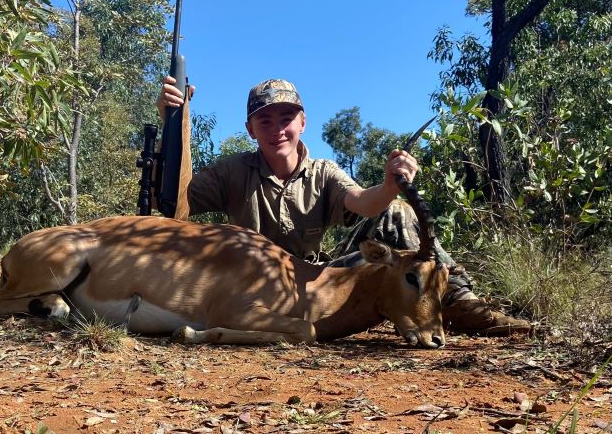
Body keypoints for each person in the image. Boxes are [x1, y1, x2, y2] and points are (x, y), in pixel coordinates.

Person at [157, 77, 531, 336]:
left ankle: (459, 302)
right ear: (251, 129)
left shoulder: (324, 171)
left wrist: (388, 186)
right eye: (265, 121)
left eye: (286, 119)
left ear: (302, 123)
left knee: (396, 212)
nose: (277, 130)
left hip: (317, 278)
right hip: (254, 287)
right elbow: (177, 210)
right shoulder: (232, 171)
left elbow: (364, 204)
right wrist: (176, 123)